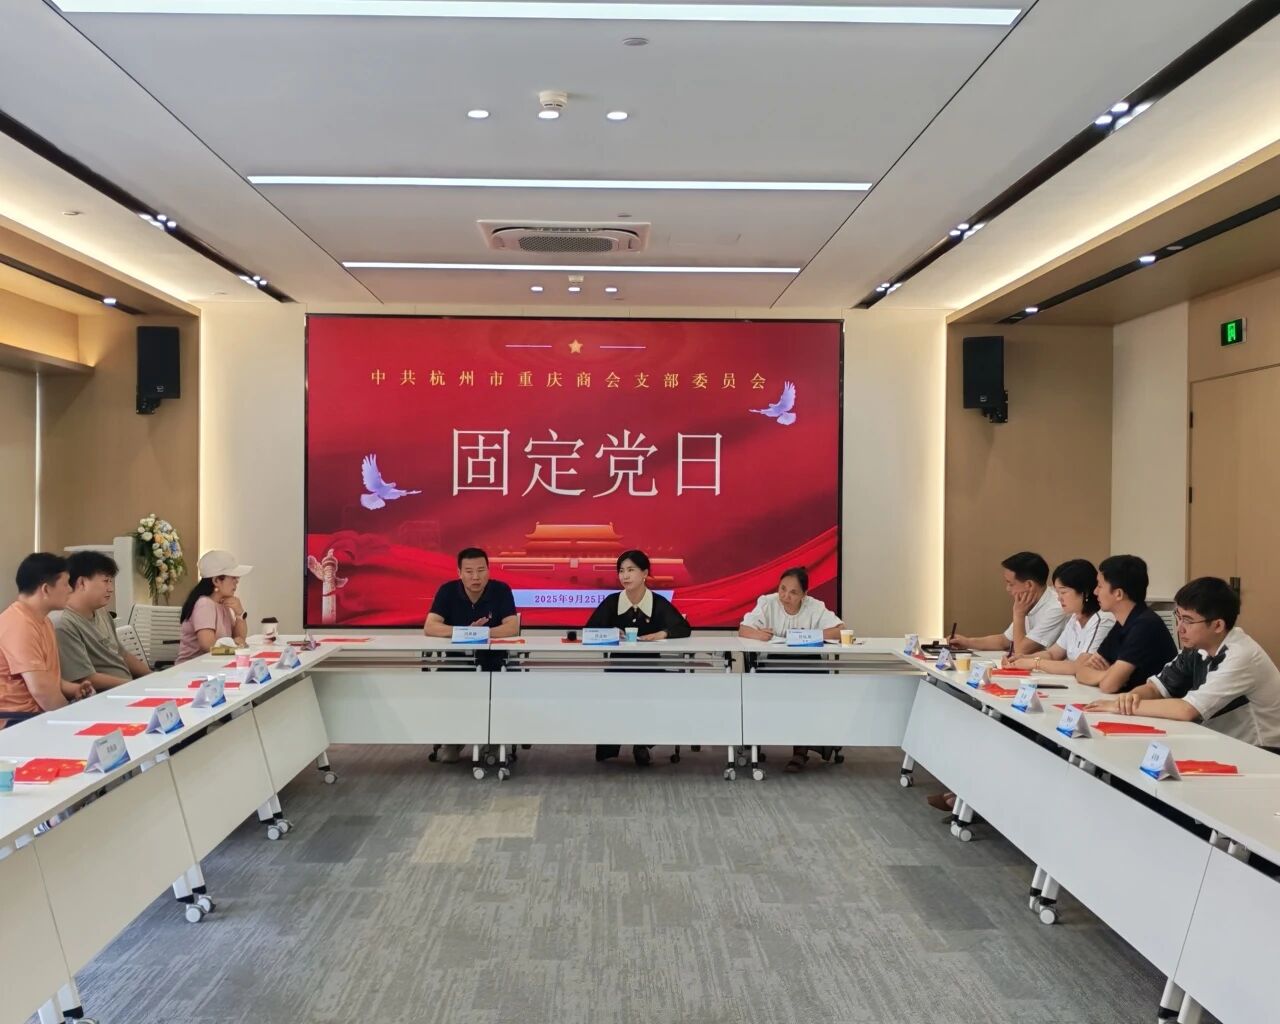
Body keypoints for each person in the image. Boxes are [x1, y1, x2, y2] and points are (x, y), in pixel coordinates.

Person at [1087, 577, 1280, 751]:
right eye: (1178, 617)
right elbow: (1156, 688)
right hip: (1223, 742)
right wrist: (1129, 699)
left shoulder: (1240, 655)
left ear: (1218, 625)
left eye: (1188, 620)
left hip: (1262, 751)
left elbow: (1187, 710)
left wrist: (1119, 707)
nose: (1180, 628)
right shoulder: (1197, 647)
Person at [586, 549, 692, 766]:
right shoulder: (612, 602)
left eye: (631, 570)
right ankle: (611, 745)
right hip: (618, 668)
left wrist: (663, 634)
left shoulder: (658, 602)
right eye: (621, 571)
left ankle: (642, 743)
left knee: (653, 697)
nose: (625, 576)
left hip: (651, 668)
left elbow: (683, 628)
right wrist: (611, 633)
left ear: (645, 573)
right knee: (611, 696)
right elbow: (589, 630)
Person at [739, 566, 843, 772]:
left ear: (804, 594)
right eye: (782, 589)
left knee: (806, 697)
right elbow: (743, 629)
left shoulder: (815, 606)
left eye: (793, 592)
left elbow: (840, 630)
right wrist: (759, 635)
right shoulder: (767, 602)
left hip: (808, 665)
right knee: (768, 692)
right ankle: (761, 740)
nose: (785, 596)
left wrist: (810, 636)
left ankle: (800, 751)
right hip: (774, 664)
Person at [423, 547, 520, 763]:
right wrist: (465, 632)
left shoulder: (501, 590)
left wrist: (481, 634)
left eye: (481, 570)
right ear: (459, 572)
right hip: (457, 660)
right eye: (469, 571)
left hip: (496, 659)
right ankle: (453, 741)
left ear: (488, 570)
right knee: (447, 686)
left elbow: (512, 627)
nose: (475, 577)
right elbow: (430, 626)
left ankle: (494, 742)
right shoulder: (447, 591)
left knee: (506, 685)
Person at [0, 553, 92, 729]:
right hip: (17, 721)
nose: (70, 590)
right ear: (46, 589)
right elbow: (41, 691)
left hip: (37, 714)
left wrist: (72, 689)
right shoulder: (19, 625)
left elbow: (46, 678)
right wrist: (73, 722)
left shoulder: (43, 621)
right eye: (66, 584)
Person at [1075, 554, 1176, 693]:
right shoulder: (1122, 623)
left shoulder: (1145, 625)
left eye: (1099, 586)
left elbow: (1109, 685)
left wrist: (1109, 677)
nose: (1095, 592)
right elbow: (1081, 672)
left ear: (1118, 594)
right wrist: (1108, 674)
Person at [55, 551, 150, 691]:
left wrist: (152, 677)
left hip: (126, 688)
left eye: (111, 581)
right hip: (104, 695)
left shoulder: (101, 612)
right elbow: (85, 678)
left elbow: (122, 653)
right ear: (82, 583)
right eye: (106, 581)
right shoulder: (64, 624)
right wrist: (134, 686)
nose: (111, 589)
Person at [1003, 559, 1114, 674]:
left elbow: (1080, 666)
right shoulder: (1075, 618)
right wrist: (1022, 658)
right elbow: (1053, 654)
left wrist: (1034, 663)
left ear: (1084, 592)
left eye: (1063, 592)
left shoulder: (1102, 619)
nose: (1059, 598)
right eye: (1057, 592)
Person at [950, 551, 1067, 655]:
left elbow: (1021, 650)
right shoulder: (1028, 603)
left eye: (1010, 584)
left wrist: (1019, 614)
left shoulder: (1057, 607)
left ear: (1029, 585)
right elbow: (1004, 640)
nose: (1008, 589)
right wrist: (967, 642)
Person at [177, 550, 252, 663]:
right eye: (233, 577)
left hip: (213, 665)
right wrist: (237, 647)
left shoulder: (223, 603)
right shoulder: (204, 604)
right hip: (192, 668)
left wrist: (239, 614)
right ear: (216, 580)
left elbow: (240, 638)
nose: (237, 581)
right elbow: (209, 646)